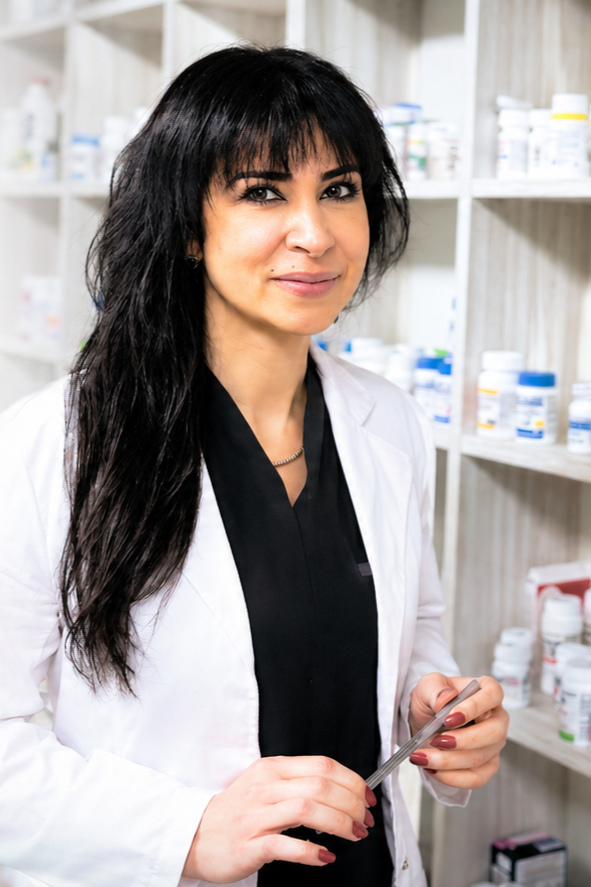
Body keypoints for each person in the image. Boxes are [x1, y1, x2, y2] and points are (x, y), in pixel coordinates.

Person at [0, 46, 508, 887]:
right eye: (263, 191)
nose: (314, 232)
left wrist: (434, 707)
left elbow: (414, 622)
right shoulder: (51, 444)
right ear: (188, 227)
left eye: (338, 189)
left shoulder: (388, 420)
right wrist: (185, 830)